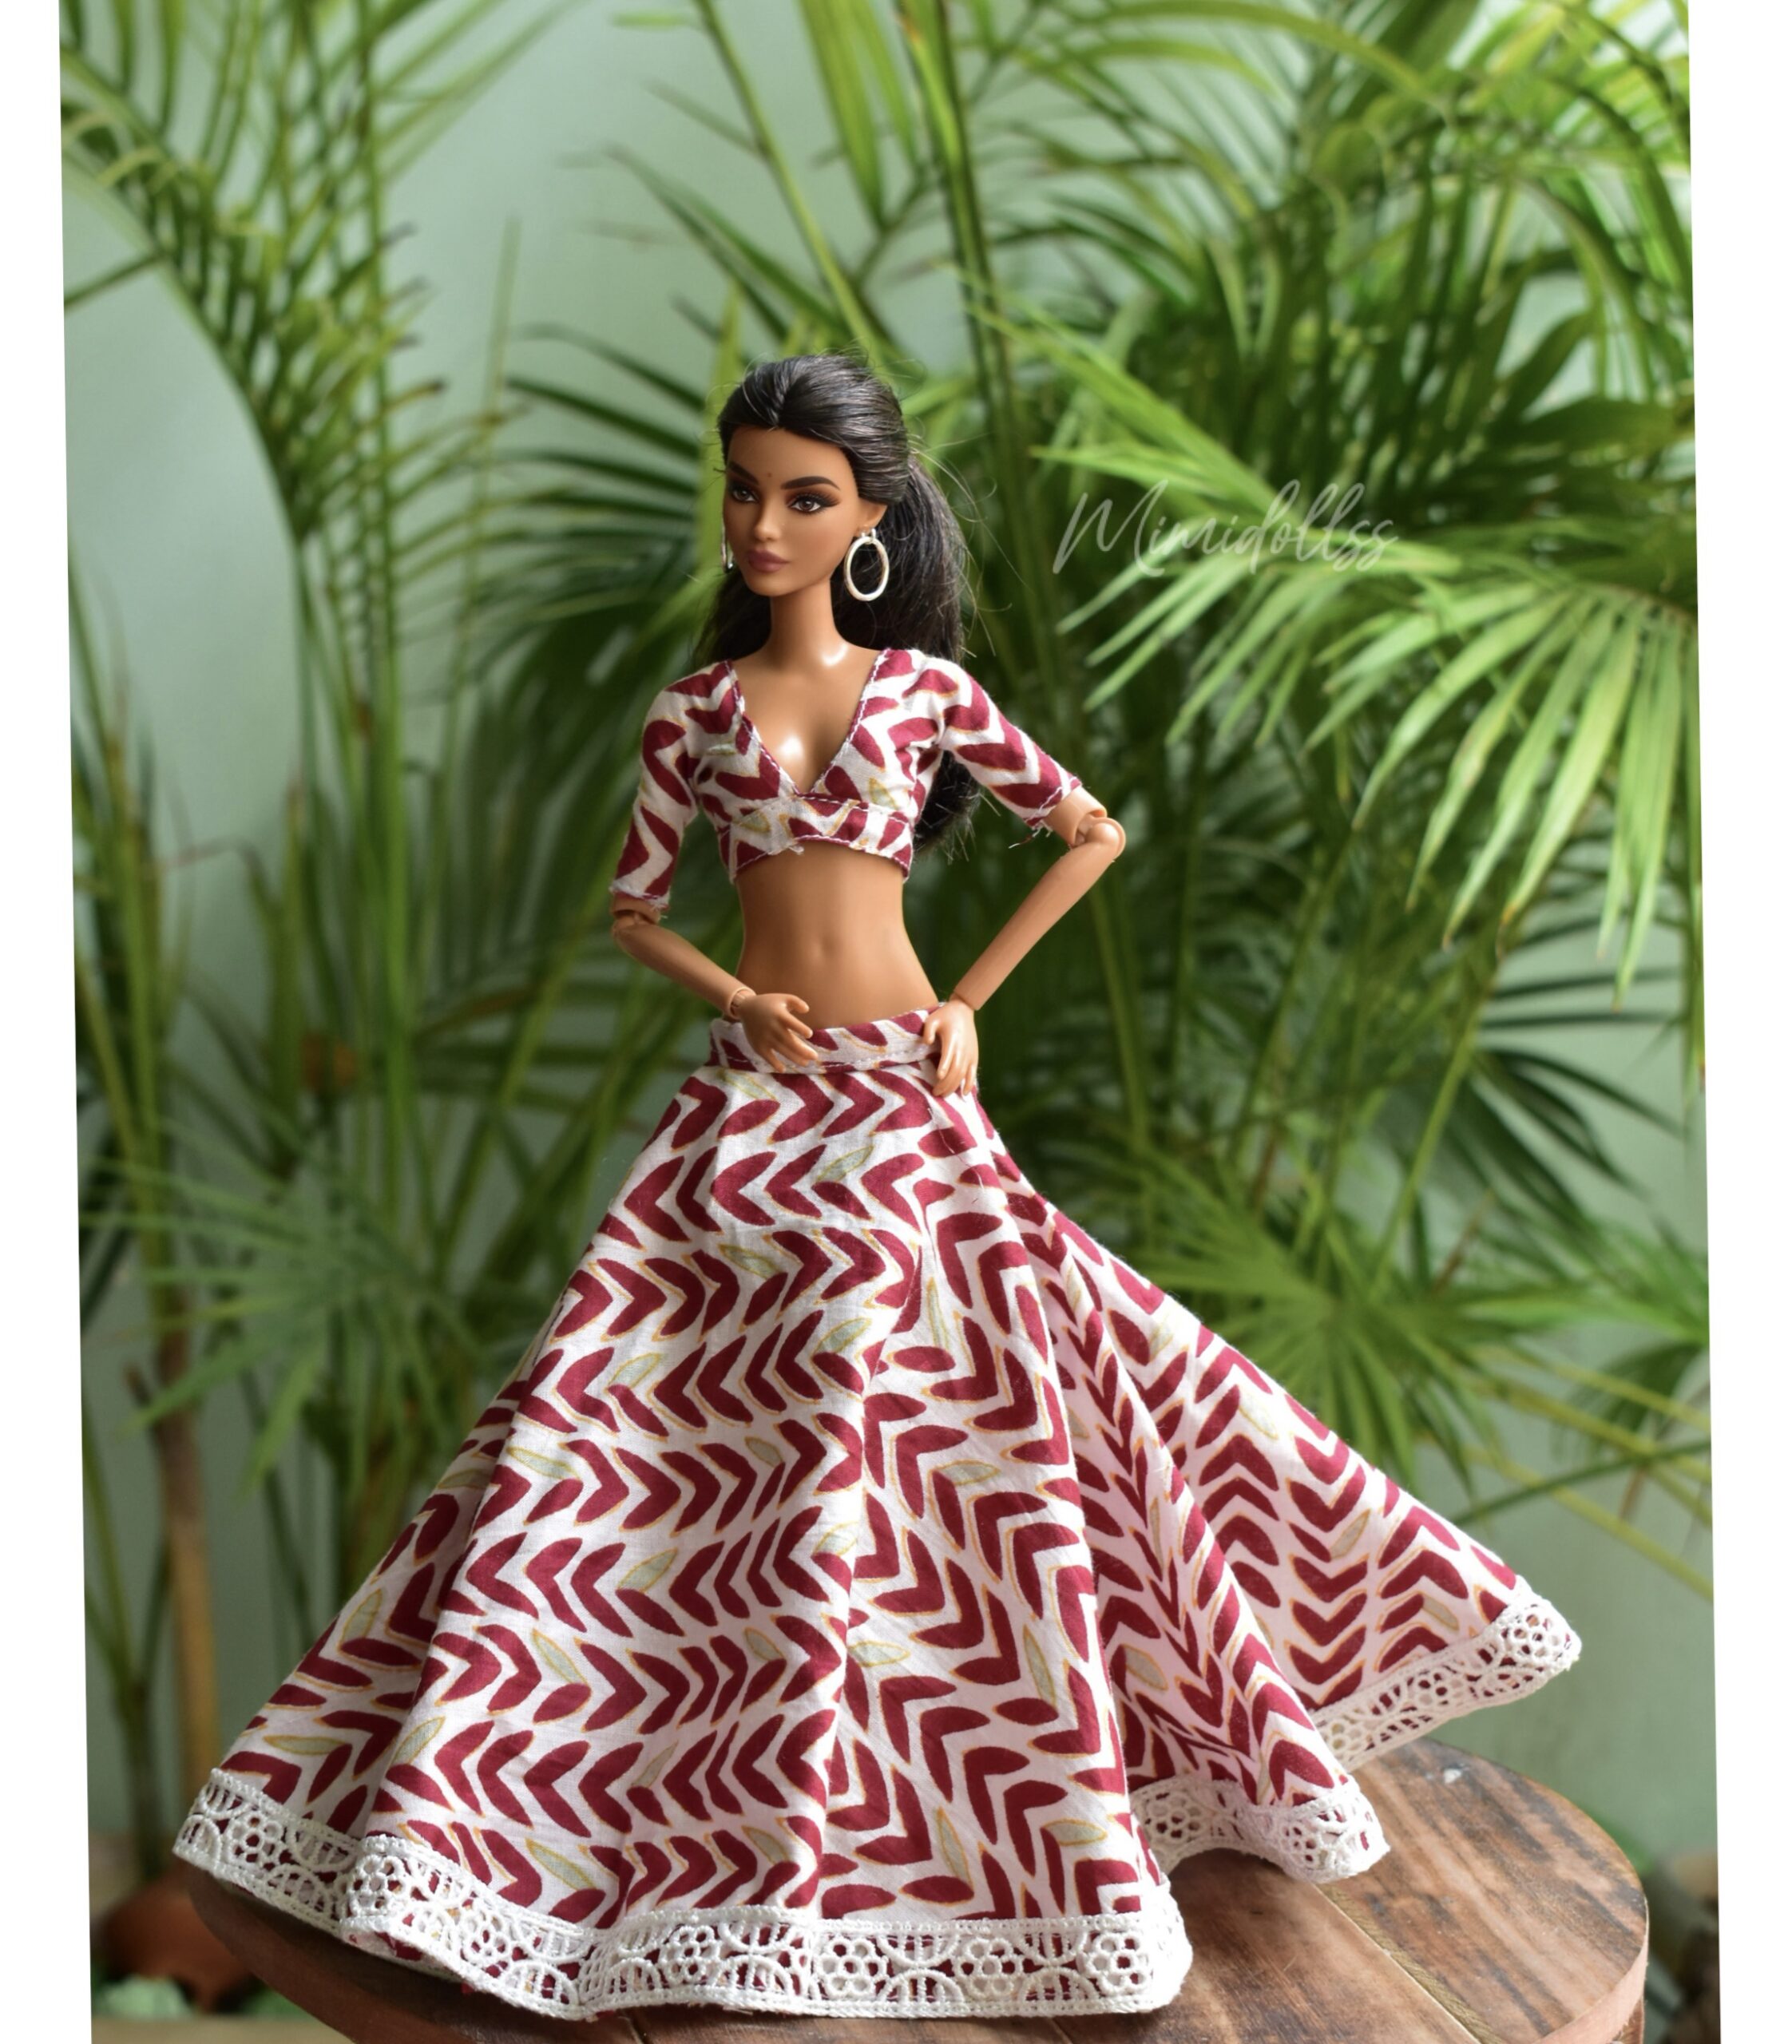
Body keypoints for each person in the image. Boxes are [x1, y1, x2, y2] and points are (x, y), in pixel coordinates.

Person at [172, 352, 1581, 2022]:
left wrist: (969, 1001)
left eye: (804, 496)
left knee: (968, 1412)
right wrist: (735, 995)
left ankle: (976, 1785)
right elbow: (634, 912)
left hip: (906, 1090)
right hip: (753, 1108)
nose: (763, 523)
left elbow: (1090, 831)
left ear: (869, 522)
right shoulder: (693, 714)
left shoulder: (923, 693)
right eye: (745, 489)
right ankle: (630, 1806)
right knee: (632, 1428)